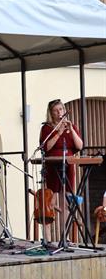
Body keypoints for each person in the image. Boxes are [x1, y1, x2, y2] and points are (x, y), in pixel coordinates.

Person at [39, 99, 83, 238]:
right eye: (56, 110)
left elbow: (79, 146)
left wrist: (71, 130)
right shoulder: (47, 128)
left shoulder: (72, 126)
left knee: (66, 202)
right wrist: (58, 132)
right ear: (51, 113)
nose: (60, 112)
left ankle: (65, 237)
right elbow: (46, 147)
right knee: (50, 201)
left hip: (68, 165)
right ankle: (47, 238)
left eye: (61, 109)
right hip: (52, 165)